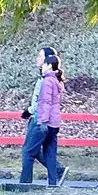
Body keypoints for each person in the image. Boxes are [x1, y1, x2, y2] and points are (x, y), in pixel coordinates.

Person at [19, 48, 67, 186]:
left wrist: (39, 119)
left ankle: (24, 184)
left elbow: (43, 103)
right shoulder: (58, 82)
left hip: (41, 120)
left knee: (28, 151)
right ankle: (54, 181)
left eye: (40, 57)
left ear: (48, 62)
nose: (37, 59)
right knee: (48, 153)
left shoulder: (46, 81)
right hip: (54, 123)